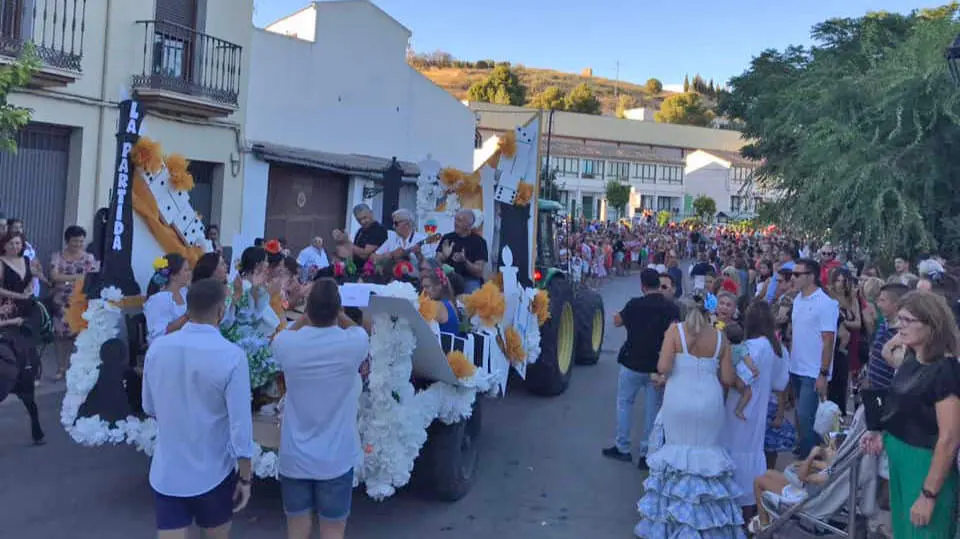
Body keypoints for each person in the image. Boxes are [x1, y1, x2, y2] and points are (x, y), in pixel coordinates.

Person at [142, 279, 254, 539]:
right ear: (220, 311)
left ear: (188, 310)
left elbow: (149, 406)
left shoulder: (158, 348)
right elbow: (240, 425)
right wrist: (246, 477)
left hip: (168, 470)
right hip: (214, 471)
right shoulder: (231, 355)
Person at [635, 290, 743, 538]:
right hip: (709, 401)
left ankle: (671, 523)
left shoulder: (675, 332)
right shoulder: (720, 337)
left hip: (679, 398)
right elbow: (727, 379)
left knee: (677, 456)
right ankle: (706, 524)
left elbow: (663, 367)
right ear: (709, 312)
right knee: (706, 456)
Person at [272, 279, 369, 539]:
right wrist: (338, 314)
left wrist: (305, 316)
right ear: (338, 309)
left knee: (296, 530)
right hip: (336, 457)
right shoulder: (353, 343)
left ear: (308, 309)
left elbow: (283, 336)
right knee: (333, 531)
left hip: (295, 454)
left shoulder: (287, 344)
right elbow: (358, 330)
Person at [862, 291, 960, 538]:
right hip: (899, 461)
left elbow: (949, 438)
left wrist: (929, 495)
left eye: (907, 321)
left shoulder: (945, 370)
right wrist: (880, 431)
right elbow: (903, 407)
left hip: (924, 466)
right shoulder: (911, 359)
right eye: (899, 319)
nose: (898, 326)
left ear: (931, 325)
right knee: (905, 531)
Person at [602, 269, 680, 470]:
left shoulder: (635, 304)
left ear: (643, 286)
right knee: (652, 410)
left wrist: (618, 316)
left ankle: (623, 447)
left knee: (624, 403)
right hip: (657, 365)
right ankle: (647, 453)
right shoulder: (671, 309)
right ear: (658, 285)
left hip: (632, 362)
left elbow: (617, 321)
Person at [722, 301, 791, 521]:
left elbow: (737, 380)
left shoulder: (751, 347)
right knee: (752, 454)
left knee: (735, 451)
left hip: (739, 408)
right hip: (759, 410)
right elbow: (780, 383)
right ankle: (753, 508)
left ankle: (737, 510)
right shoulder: (776, 348)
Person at [790, 258, 839, 458]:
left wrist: (823, 373)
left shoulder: (826, 304)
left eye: (797, 274)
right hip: (796, 367)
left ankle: (809, 460)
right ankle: (806, 454)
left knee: (806, 416)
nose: (792, 278)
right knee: (800, 417)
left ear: (811, 277)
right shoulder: (797, 300)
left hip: (814, 371)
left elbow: (829, 340)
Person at [49, 225, 99, 380]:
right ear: (67, 241)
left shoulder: (88, 258)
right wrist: (77, 278)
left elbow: (92, 278)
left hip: (80, 302)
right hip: (61, 302)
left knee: (76, 336)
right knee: (60, 336)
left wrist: (67, 279)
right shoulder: (57, 256)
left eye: (81, 241)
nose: (78, 244)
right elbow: (54, 276)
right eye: (75, 241)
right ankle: (60, 367)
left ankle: (72, 367)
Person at [143, 254, 192, 346]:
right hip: (166, 348)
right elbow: (159, 334)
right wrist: (187, 316)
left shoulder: (184, 292)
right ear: (173, 276)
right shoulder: (159, 300)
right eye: (186, 270)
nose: (190, 273)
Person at [436, 210, 488, 294]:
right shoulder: (447, 238)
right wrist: (444, 256)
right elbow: (436, 262)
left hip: (468, 279)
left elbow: (478, 272)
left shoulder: (480, 242)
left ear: (469, 225)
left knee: (473, 295)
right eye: (455, 219)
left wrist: (464, 261)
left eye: (459, 220)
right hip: (447, 277)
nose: (455, 223)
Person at [333, 204, 387, 268]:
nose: (362, 222)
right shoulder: (360, 231)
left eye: (365, 217)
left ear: (371, 213)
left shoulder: (378, 229)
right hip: (355, 268)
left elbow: (365, 255)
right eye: (359, 220)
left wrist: (346, 241)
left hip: (370, 271)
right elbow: (353, 251)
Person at [724, 322, 760, 421]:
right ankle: (739, 410)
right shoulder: (741, 348)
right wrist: (754, 369)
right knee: (748, 393)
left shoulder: (726, 347)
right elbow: (747, 359)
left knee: (725, 392)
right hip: (738, 377)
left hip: (727, 373)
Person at [422, 270, 460, 336]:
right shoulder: (450, 302)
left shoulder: (438, 305)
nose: (424, 291)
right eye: (423, 287)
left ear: (439, 286)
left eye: (427, 287)